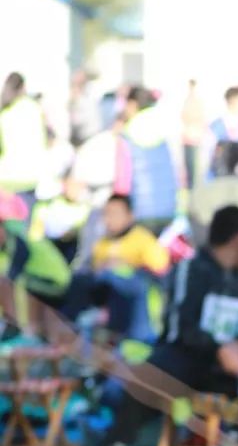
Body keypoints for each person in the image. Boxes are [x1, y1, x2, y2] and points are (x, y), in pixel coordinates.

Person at [106, 205, 238, 446]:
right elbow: (179, 328)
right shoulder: (191, 270)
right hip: (193, 357)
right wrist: (218, 348)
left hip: (236, 365)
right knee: (149, 373)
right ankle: (116, 441)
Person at [63, 191, 170, 341]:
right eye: (106, 214)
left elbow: (159, 274)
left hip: (137, 304)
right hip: (107, 299)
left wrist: (125, 266)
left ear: (130, 215)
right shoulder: (101, 244)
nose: (109, 219)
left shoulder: (145, 241)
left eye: (115, 214)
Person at [116, 87, 178, 233]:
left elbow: (122, 179)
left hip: (140, 211)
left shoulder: (127, 133)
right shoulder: (162, 127)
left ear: (132, 104)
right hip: (168, 210)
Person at [0, 73, 48, 207]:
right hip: (29, 176)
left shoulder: (4, 111)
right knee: (25, 224)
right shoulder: (33, 108)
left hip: (5, 178)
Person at [180, 80, 207, 189]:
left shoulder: (197, 101)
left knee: (195, 166)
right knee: (188, 165)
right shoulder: (187, 101)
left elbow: (200, 117)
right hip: (187, 138)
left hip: (195, 138)